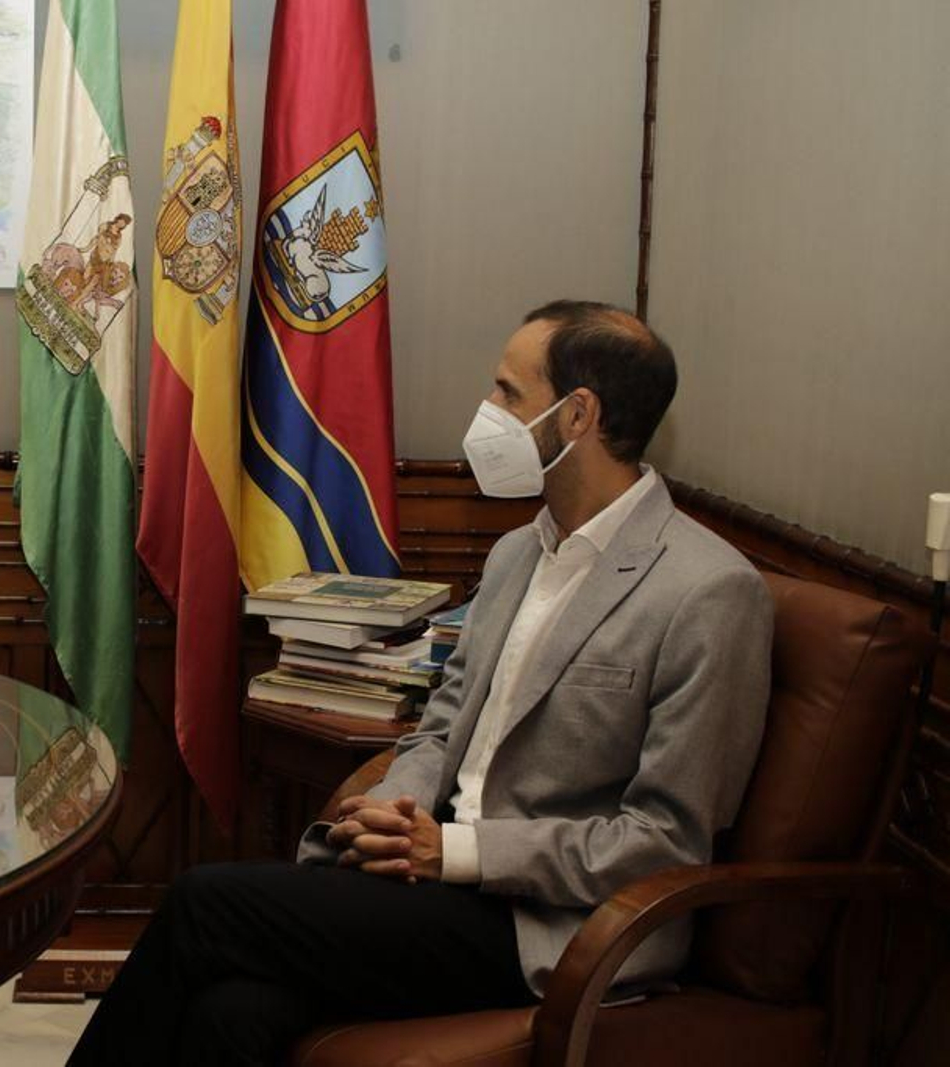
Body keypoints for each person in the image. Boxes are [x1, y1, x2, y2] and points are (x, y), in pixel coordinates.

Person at [69, 301, 775, 1066]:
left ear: (578, 415)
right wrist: (390, 806)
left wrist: (456, 851)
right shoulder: (516, 554)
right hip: (431, 881)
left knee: (204, 904)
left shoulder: (708, 591)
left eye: (508, 393)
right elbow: (441, 725)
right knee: (230, 1011)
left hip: (550, 920)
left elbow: (664, 840)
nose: (487, 411)